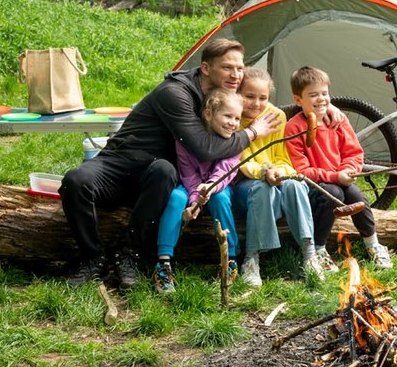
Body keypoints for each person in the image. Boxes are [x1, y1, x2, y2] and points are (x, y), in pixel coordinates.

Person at [60, 39, 279, 288]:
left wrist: (328, 110)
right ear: (206, 68)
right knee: (75, 181)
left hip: (157, 174)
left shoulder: (224, 95)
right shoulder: (175, 93)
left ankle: (130, 255)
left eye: (240, 68)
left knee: (164, 170)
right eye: (228, 68)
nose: (237, 75)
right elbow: (204, 148)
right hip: (121, 160)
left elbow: (259, 103)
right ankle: (91, 258)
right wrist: (250, 133)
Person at [285, 66, 393, 270]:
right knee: (332, 193)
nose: (321, 99)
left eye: (325, 94)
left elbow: (353, 152)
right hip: (313, 185)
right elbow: (301, 170)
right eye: (313, 95)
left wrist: (349, 170)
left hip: (339, 177)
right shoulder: (294, 127)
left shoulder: (338, 119)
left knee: (357, 197)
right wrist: (336, 177)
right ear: (298, 100)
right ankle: (318, 248)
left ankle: (373, 243)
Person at [232, 68, 326, 286]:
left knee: (294, 184)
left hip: (275, 176)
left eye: (262, 98)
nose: (256, 103)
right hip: (246, 183)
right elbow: (240, 160)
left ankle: (309, 254)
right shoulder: (233, 118)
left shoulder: (276, 116)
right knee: (261, 188)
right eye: (249, 97)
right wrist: (264, 172)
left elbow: (282, 158)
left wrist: (281, 173)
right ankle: (252, 258)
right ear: (238, 94)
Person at [151, 88, 244, 294]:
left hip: (219, 186)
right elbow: (187, 172)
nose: (233, 123)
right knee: (175, 197)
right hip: (191, 185)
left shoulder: (235, 142)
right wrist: (195, 202)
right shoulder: (186, 140)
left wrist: (209, 188)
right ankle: (163, 264)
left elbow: (225, 171)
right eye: (227, 116)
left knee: (220, 199)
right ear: (209, 114)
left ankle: (230, 260)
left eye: (237, 118)